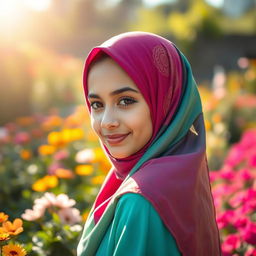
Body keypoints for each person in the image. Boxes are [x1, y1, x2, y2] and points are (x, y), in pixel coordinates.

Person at [77, 31, 221, 256]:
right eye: (96, 104)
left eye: (125, 101)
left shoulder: (141, 200)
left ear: (165, 101)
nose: (107, 122)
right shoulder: (181, 168)